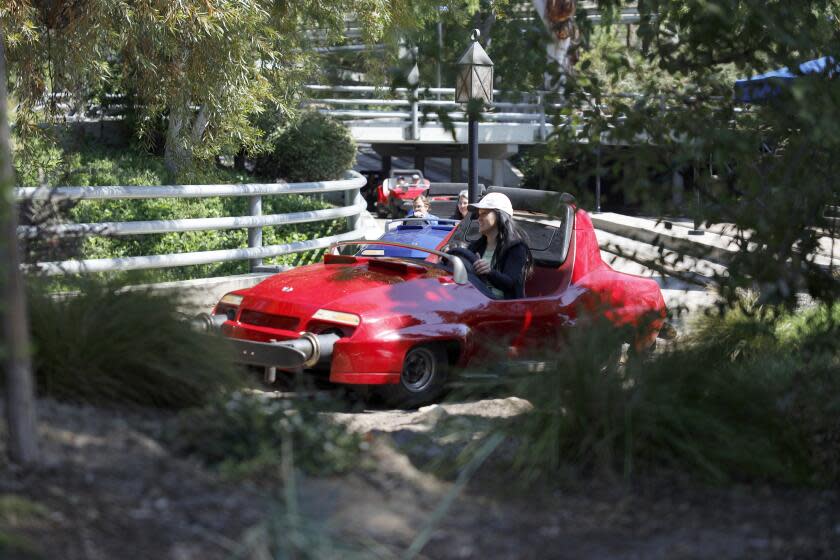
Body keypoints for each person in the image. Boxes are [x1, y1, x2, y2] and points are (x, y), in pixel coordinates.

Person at [462, 192, 533, 299]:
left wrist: (489, 272)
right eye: (479, 214)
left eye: (484, 213)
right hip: (475, 303)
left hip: (503, 310)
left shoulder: (516, 248)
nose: (479, 218)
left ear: (500, 216)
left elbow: (509, 283)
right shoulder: (476, 246)